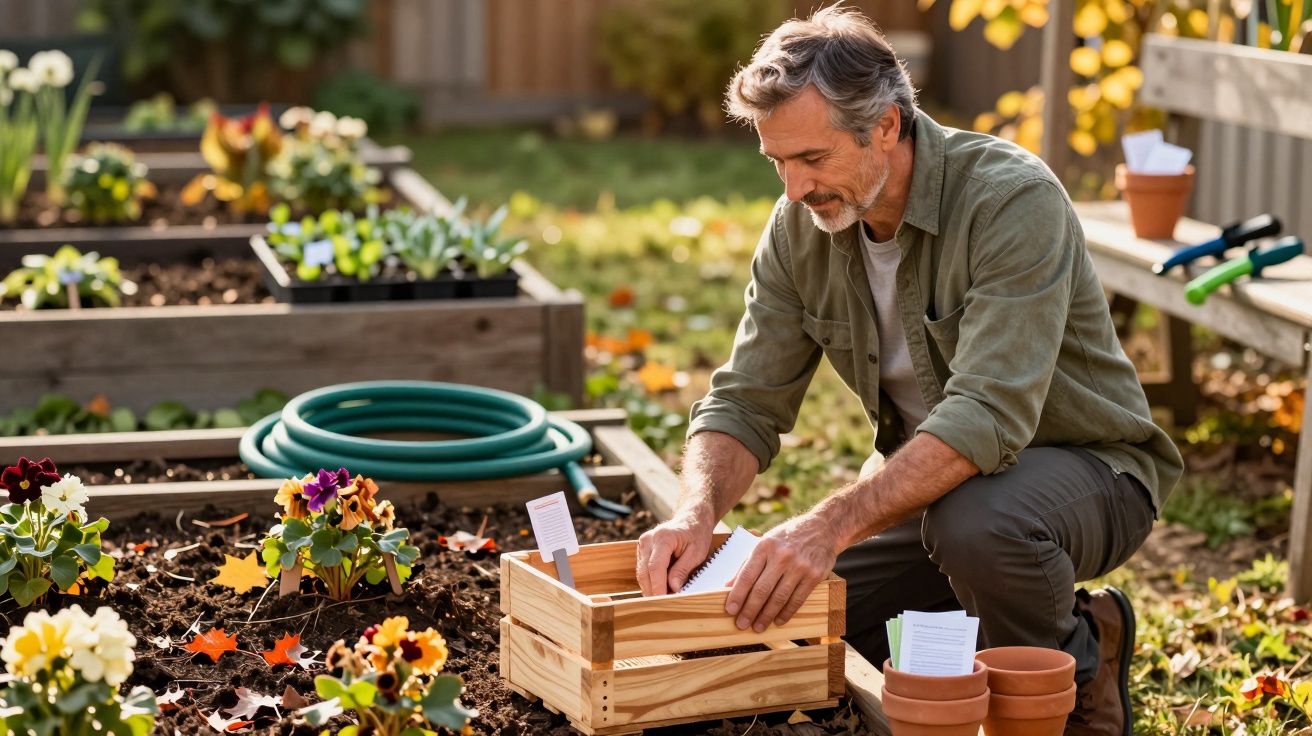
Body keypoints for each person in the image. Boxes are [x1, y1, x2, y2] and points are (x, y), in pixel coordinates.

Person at [634, 6, 1183, 735]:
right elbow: (744, 402)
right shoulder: (799, 228)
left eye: (813, 159)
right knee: (804, 628)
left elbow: (985, 417)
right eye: (779, 163)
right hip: (934, 495)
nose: (794, 189)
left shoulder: (1010, 200)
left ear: (886, 127)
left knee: (981, 524)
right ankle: (1039, 613)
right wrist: (695, 511)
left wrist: (828, 524)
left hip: (1089, 472)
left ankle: (1076, 678)